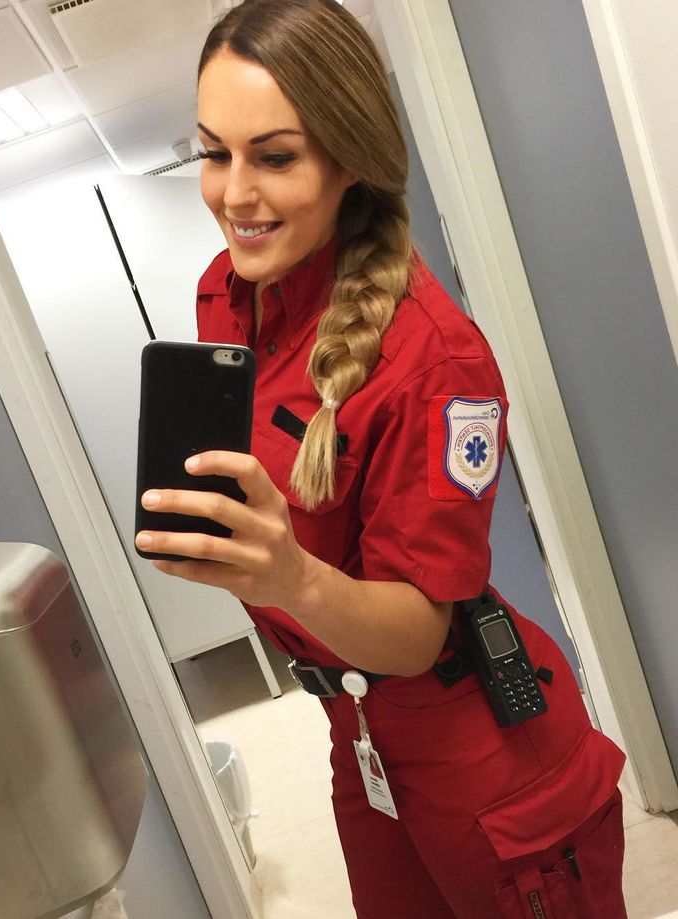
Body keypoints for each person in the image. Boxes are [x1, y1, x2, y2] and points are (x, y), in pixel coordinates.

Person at [135, 1, 628, 915]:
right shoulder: (229, 291)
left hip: (477, 754)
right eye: (213, 152)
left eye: (273, 156)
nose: (233, 194)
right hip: (355, 728)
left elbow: (417, 632)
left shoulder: (434, 361)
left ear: (348, 155)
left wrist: (286, 573)